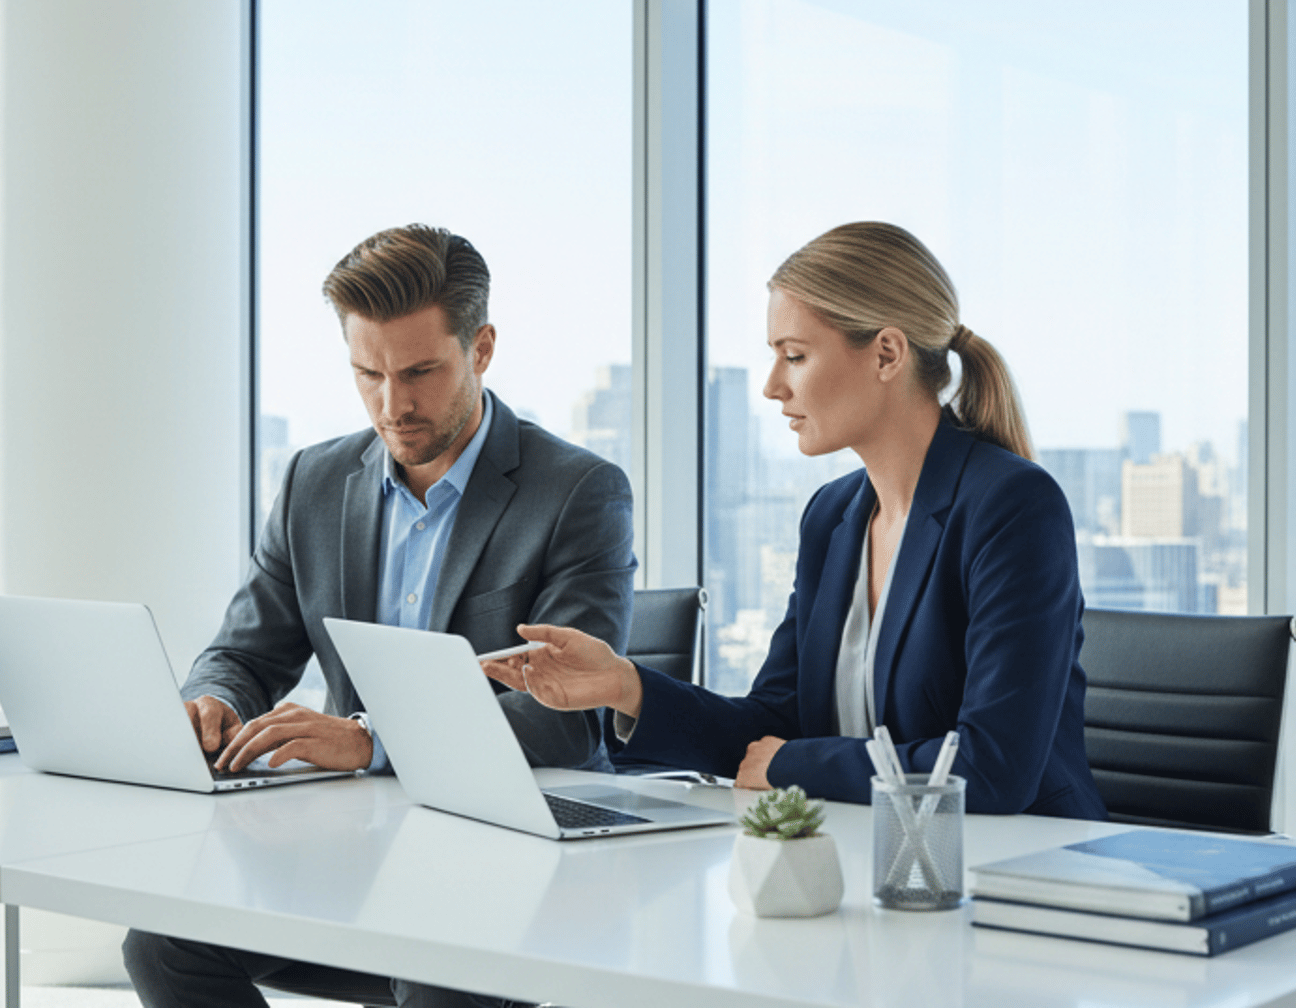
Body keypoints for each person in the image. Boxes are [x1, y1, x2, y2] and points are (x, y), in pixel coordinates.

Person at [122, 224, 636, 1008]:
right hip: (356, 841)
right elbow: (245, 652)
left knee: (438, 970)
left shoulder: (577, 493)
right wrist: (213, 701)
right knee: (163, 944)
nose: (393, 406)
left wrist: (371, 741)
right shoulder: (313, 481)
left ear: (481, 348)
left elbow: (566, 722)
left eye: (420, 372)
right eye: (369, 374)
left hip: (514, 850)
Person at [488, 221, 1106, 819]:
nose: (772, 386)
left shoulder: (1012, 505)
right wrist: (624, 686)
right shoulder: (833, 517)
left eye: (795, 355)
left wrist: (794, 765)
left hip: (1022, 862)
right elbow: (771, 728)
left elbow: (992, 766)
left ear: (887, 354)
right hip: (871, 852)